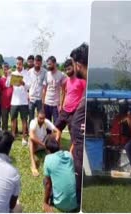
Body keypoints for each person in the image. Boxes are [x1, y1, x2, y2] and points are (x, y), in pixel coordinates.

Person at [69, 43, 88, 207]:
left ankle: (80, 203)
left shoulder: (90, 84)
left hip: (83, 144)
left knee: (80, 170)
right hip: (79, 143)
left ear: (78, 65)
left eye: (73, 65)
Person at [43, 135, 78, 213]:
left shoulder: (48, 159)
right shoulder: (68, 154)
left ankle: (51, 200)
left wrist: (45, 203)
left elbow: (48, 184)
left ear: (48, 150)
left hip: (60, 204)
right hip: (74, 203)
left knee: (45, 181)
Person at [55, 59, 86, 132]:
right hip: (65, 110)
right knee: (56, 129)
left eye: (69, 69)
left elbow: (85, 95)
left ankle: (73, 143)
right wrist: (61, 105)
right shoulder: (66, 81)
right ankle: (55, 143)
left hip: (75, 111)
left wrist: (80, 108)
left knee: (73, 132)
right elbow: (64, 93)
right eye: (66, 70)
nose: (67, 71)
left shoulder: (81, 80)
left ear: (74, 67)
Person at [6, 56, 31, 146]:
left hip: (24, 101)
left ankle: (24, 137)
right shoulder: (13, 73)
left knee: (24, 119)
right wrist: (9, 76)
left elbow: (29, 86)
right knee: (13, 119)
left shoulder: (26, 73)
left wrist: (23, 83)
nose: (18, 65)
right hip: (14, 101)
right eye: (17, 64)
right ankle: (13, 136)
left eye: (20, 64)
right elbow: (7, 84)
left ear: (22, 64)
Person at [29, 111, 61, 177]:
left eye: (43, 118)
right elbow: (32, 136)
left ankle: (56, 153)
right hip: (37, 144)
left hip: (44, 143)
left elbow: (58, 131)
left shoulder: (46, 121)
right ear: (36, 117)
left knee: (54, 135)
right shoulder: (33, 122)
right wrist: (43, 144)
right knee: (31, 140)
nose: (42, 120)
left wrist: (56, 141)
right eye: (40, 118)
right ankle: (33, 164)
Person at [42, 56, 66, 123]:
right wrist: (43, 103)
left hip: (56, 104)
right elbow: (44, 90)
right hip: (47, 103)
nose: (48, 66)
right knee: (47, 124)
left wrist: (61, 104)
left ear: (55, 63)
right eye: (47, 64)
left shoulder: (61, 75)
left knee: (56, 124)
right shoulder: (46, 74)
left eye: (49, 64)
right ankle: (48, 134)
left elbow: (63, 91)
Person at [28, 55, 46, 123]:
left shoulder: (45, 72)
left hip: (39, 99)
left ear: (41, 63)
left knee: (40, 117)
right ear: (34, 62)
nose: (37, 64)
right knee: (31, 117)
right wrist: (28, 95)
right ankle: (31, 131)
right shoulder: (29, 72)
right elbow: (27, 85)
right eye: (36, 62)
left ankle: (39, 131)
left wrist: (43, 100)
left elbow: (44, 87)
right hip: (31, 98)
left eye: (39, 62)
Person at [0, 63, 13, 131]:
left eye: (7, 69)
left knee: (13, 117)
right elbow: (0, 91)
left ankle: (14, 131)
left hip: (12, 102)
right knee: (4, 118)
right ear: (2, 70)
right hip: (4, 102)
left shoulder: (12, 78)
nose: (5, 71)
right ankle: (4, 131)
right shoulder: (1, 80)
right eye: (4, 69)